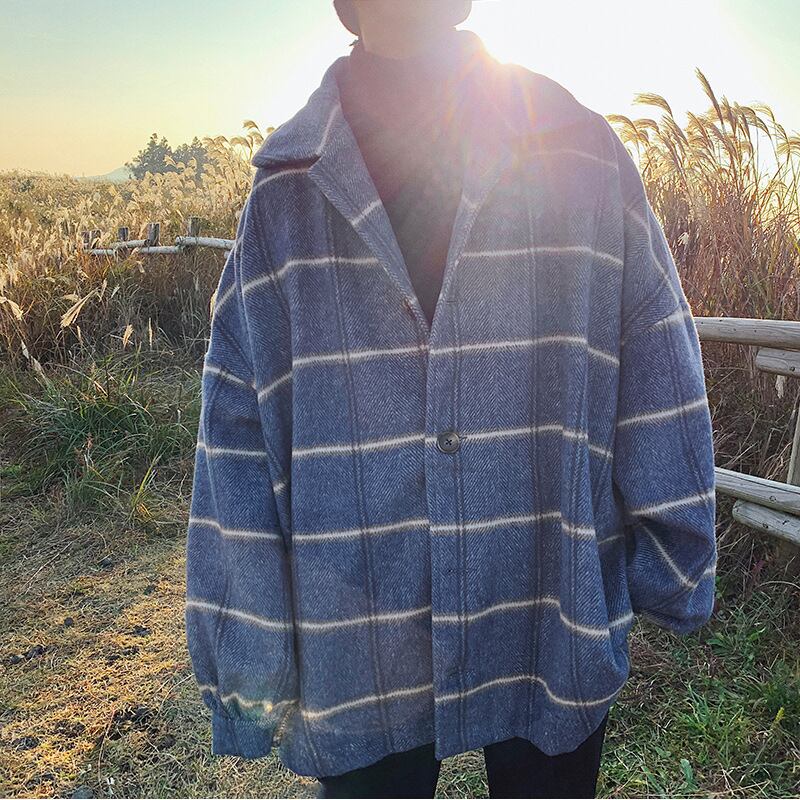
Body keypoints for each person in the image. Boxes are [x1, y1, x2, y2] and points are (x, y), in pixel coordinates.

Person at [184, 1, 718, 798]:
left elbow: (655, 357)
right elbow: (236, 428)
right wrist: (248, 655)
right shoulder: (286, 198)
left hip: (546, 603)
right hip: (358, 638)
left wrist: (673, 554)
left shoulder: (579, 155)